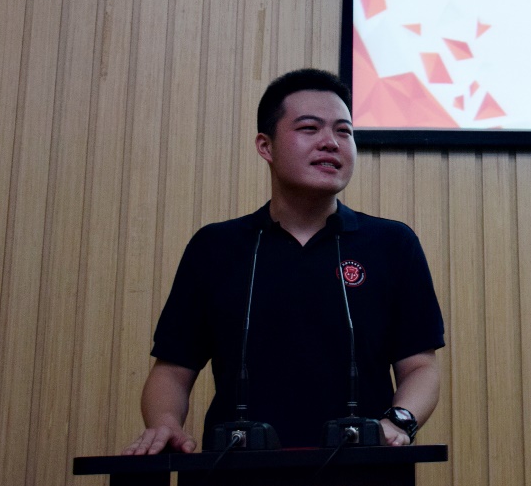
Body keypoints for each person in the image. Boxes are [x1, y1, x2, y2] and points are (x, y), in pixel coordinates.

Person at [122, 69, 443, 454]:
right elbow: (172, 371)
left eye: (344, 132)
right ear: (266, 146)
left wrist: (399, 421)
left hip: (363, 466)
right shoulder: (216, 247)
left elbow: (420, 367)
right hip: (237, 468)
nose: (330, 142)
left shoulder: (392, 244)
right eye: (310, 128)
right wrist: (164, 423)